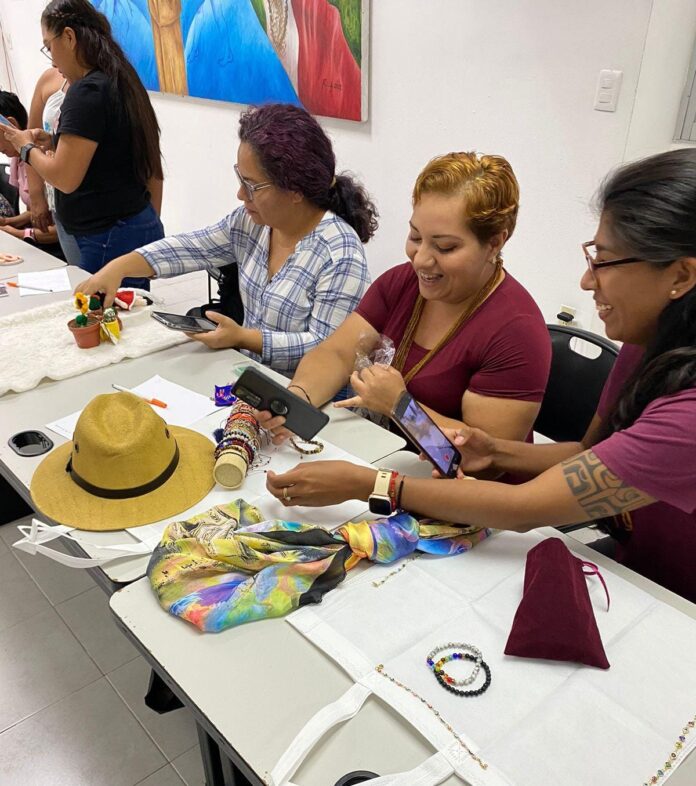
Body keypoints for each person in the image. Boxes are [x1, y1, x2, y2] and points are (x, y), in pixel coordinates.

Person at [266, 148, 696, 604]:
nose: (588, 282)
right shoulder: (648, 342)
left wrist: (373, 479)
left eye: (604, 261)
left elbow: (522, 506)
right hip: (635, 564)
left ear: (682, 274)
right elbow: (590, 454)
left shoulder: (517, 330)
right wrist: (498, 451)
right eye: (416, 238)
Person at [260, 151, 551, 442]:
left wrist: (401, 407)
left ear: (494, 242)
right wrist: (297, 401)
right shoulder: (402, 283)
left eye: (446, 247)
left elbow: (485, 457)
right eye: (415, 237)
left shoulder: (516, 332)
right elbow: (337, 353)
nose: (421, 260)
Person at [76, 103, 378, 374]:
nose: (240, 194)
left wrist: (244, 337)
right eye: (240, 178)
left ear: (296, 190)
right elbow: (193, 247)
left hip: (307, 402)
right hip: (251, 378)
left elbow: (328, 351)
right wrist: (118, 268)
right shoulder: (253, 223)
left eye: (252, 185)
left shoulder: (340, 254)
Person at [1, 0, 164, 289]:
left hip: (105, 235)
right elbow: (110, 146)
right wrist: (53, 141)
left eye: (49, 47)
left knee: (106, 318)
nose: (51, 60)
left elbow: (65, 178)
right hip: (126, 224)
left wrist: (25, 146)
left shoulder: (86, 91)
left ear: (69, 37)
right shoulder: (118, 77)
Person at [25, 67, 81, 265]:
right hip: (56, 196)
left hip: (89, 197)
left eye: (50, 46)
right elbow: (29, 140)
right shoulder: (49, 79)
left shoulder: (101, 83)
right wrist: (36, 195)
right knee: (77, 270)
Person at [0, 91, 64, 259]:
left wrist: (20, 233)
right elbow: (41, 215)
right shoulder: (16, 160)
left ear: (11, 124)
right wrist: (10, 223)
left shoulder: (44, 158)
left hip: (59, 247)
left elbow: (60, 225)